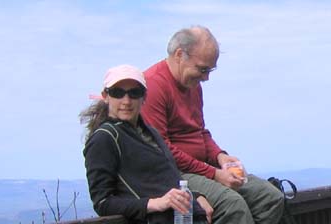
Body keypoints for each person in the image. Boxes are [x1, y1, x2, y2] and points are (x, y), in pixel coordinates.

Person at [140, 26, 285, 224]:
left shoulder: (193, 85)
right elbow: (163, 150)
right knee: (233, 205)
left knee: (270, 198)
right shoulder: (154, 85)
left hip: (204, 166)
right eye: (202, 69)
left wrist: (220, 156)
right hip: (176, 174)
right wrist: (215, 174)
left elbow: (199, 132)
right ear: (180, 55)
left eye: (210, 70)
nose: (206, 77)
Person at [80, 64, 213, 224]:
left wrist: (196, 196)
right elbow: (103, 202)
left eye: (134, 93)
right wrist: (154, 204)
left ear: (144, 97)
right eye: (118, 93)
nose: (126, 101)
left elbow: (166, 180)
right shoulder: (104, 138)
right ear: (106, 96)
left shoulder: (150, 132)